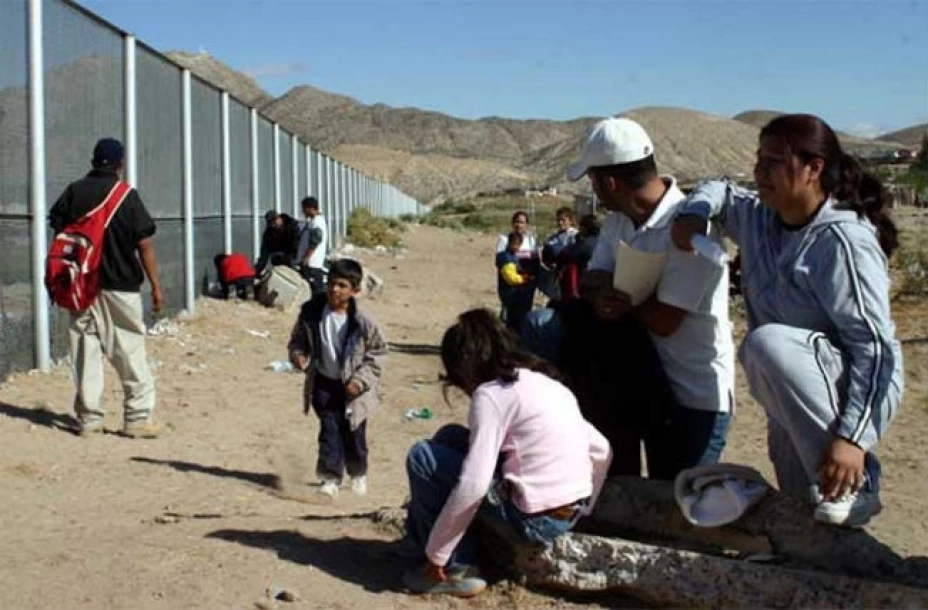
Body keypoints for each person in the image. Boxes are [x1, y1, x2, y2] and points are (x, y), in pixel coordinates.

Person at [671, 113, 904, 527]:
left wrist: (853, 440)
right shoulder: (761, 218)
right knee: (807, 514)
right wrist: (696, 213)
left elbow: (877, 351)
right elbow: (721, 190)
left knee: (766, 343)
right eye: (759, 160)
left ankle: (859, 483)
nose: (760, 172)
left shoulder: (842, 241)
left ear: (814, 168)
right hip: (791, 401)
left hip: (848, 393)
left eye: (774, 162)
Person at [522, 117, 734, 479]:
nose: (594, 191)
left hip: (693, 398)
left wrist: (626, 301)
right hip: (635, 381)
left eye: (592, 181)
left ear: (610, 183)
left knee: (677, 508)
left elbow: (667, 322)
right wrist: (618, 293)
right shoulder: (619, 223)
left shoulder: (692, 231)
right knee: (624, 492)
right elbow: (592, 280)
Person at [402, 309, 611, 597]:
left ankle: (455, 568)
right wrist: (585, 506)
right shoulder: (546, 384)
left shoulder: (491, 395)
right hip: (569, 512)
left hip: (533, 521)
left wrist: (437, 554)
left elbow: (473, 484)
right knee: (450, 438)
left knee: (423, 457)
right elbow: (601, 449)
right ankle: (432, 538)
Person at [48, 137, 163, 438]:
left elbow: (59, 233)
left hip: (80, 284)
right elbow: (145, 244)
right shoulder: (126, 195)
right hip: (120, 284)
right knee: (128, 348)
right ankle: (137, 417)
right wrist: (155, 286)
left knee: (85, 350)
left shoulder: (74, 192)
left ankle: (89, 418)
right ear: (120, 164)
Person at [287, 258, 387, 498]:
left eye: (342, 285)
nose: (334, 290)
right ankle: (330, 478)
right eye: (332, 283)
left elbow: (378, 353)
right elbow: (298, 340)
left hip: (355, 389)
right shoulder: (311, 312)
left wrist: (359, 382)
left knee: (354, 433)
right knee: (329, 430)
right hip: (324, 382)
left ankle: (358, 473)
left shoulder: (362, 321)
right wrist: (298, 355)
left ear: (355, 290)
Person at [495, 232, 535, 332]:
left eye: (518, 244)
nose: (516, 247)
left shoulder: (513, 256)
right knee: (509, 320)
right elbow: (510, 277)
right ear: (509, 243)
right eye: (514, 244)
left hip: (515, 294)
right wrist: (524, 278)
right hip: (509, 294)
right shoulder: (506, 258)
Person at [538, 207, 579, 300]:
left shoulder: (575, 236)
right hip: (557, 274)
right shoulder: (553, 237)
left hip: (571, 274)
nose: (560, 223)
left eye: (563, 220)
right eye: (558, 220)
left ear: (570, 221)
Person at [296, 196, 328, 297]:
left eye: (304, 209)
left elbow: (316, 240)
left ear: (310, 208)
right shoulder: (313, 221)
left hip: (312, 264)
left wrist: (306, 257)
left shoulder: (317, 222)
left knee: (316, 293)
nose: (303, 212)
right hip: (310, 264)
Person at [256, 210, 300, 275]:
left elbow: (297, 243)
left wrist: (291, 258)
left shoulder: (292, 226)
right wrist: (258, 269)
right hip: (278, 259)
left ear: (279, 218)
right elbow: (264, 252)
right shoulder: (269, 233)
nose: (273, 225)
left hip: (293, 257)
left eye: (274, 221)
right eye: (270, 223)